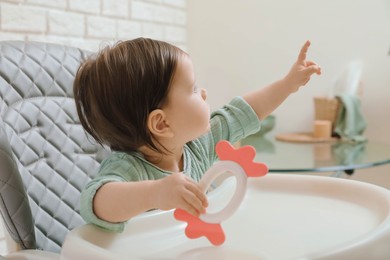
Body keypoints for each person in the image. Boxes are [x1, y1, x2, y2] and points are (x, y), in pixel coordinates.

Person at [74, 38, 321, 233]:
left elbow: (242, 113)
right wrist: (155, 193)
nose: (203, 92)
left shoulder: (197, 146)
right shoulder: (130, 170)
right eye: (192, 88)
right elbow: (94, 202)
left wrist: (288, 84)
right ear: (161, 123)